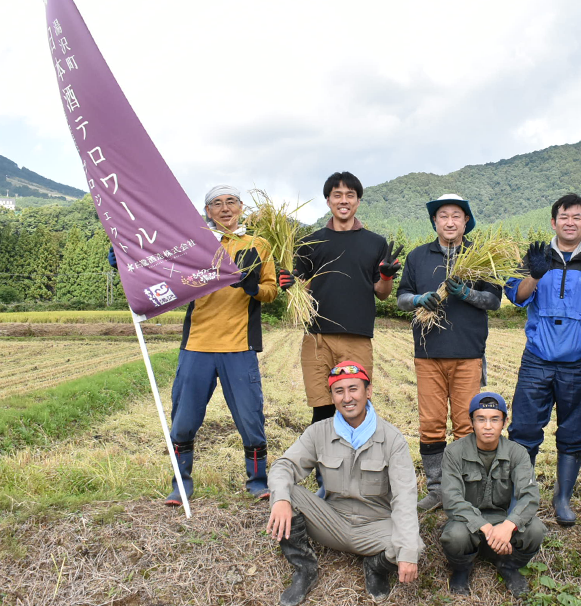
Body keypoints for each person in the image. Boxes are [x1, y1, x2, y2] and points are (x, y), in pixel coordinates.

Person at [156, 185, 277, 505]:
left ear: (241, 207)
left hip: (240, 346)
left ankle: (258, 481)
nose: (225, 208)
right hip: (197, 345)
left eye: (231, 202)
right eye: (217, 204)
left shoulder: (257, 245)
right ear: (207, 211)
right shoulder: (194, 244)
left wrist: (253, 288)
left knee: (251, 418)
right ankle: (181, 484)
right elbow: (162, 271)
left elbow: (271, 290)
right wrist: (126, 265)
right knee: (184, 419)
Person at [266, 360, 421, 605]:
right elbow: (283, 466)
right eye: (339, 391)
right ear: (332, 397)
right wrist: (281, 500)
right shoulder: (318, 432)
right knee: (285, 493)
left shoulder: (393, 439)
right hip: (332, 522)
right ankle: (305, 569)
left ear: (368, 392)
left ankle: (376, 566)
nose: (347, 398)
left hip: (376, 525)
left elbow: (405, 497)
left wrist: (408, 553)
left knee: (412, 546)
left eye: (353, 389)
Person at [503, 193, 581, 526]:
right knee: (524, 429)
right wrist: (534, 274)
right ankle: (521, 497)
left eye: (577, 218)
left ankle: (562, 498)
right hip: (538, 358)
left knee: (574, 432)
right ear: (553, 222)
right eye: (564, 217)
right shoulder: (536, 256)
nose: (570, 223)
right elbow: (516, 296)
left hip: (580, 361)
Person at [396, 194, 501, 511]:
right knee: (430, 424)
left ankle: (466, 490)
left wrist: (466, 293)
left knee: (467, 425)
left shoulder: (481, 256)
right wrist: (419, 300)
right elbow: (401, 297)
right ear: (434, 221)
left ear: (466, 221)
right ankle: (438, 489)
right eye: (443, 216)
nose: (450, 221)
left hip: (468, 353)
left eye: (457, 215)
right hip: (429, 354)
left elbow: (494, 301)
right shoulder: (418, 256)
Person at [294, 172, 402, 425]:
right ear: (328, 200)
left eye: (350, 195)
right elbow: (302, 289)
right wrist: (291, 284)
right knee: (321, 410)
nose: (344, 200)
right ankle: (324, 453)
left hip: (357, 337)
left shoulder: (375, 243)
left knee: (355, 408)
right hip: (317, 337)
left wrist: (386, 275)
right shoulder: (310, 242)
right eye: (337, 195)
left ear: (358, 201)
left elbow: (382, 293)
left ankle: (359, 452)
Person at [440, 392, 545, 597]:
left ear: (505, 422)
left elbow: (530, 496)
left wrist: (508, 525)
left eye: (495, 419)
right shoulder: (454, 452)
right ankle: (462, 569)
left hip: (504, 521)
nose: (488, 426)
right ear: (471, 422)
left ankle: (509, 566)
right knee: (454, 536)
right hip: (468, 523)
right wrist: (487, 528)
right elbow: (452, 499)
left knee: (535, 530)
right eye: (481, 419)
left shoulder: (517, 453)